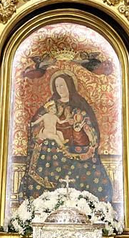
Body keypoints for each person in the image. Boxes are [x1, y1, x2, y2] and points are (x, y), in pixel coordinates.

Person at [19, 73, 114, 204]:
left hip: (75, 149)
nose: (60, 88)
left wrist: (77, 131)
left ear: (69, 86)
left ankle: (88, 205)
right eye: (57, 86)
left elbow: (89, 134)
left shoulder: (79, 107)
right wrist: (40, 132)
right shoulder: (50, 106)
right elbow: (36, 124)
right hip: (52, 150)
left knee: (87, 169)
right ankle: (43, 205)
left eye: (62, 85)